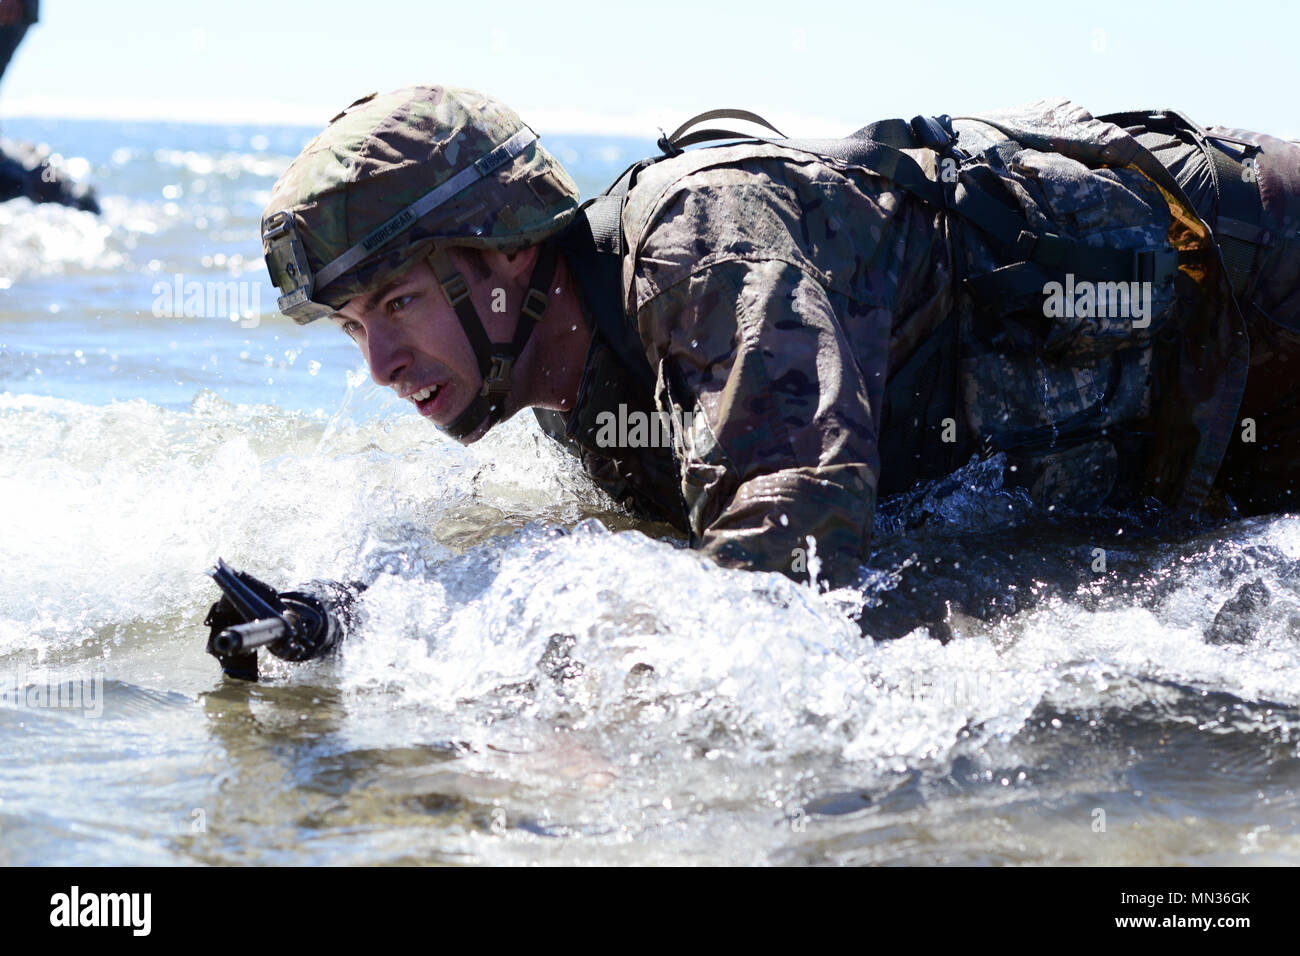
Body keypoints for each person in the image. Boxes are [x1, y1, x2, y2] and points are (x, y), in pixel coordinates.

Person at [258, 86, 1300, 593]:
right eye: (354, 327)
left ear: (497, 252)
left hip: (1264, 283)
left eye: (397, 305)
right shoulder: (577, 392)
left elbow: (788, 558)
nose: (381, 369)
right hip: (1199, 423)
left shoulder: (700, 249)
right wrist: (370, 626)